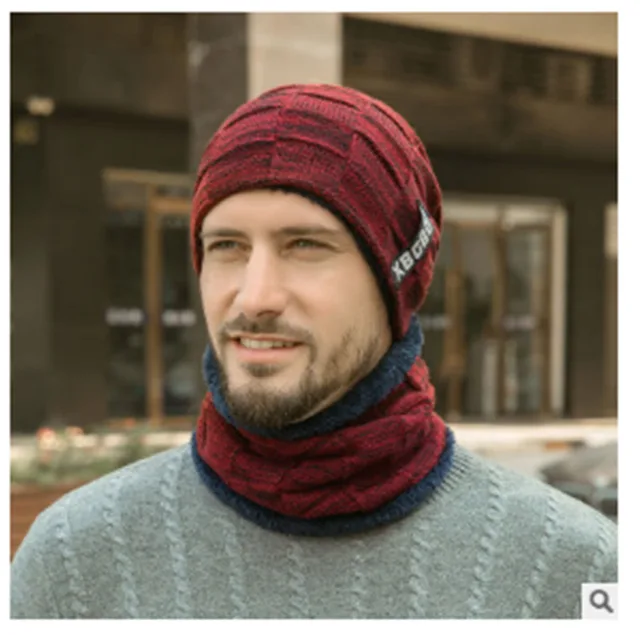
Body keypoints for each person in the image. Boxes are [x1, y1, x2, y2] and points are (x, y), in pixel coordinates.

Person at [11, 84, 617, 619]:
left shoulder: (578, 570)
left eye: (305, 244)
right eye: (226, 245)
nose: (255, 297)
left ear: (397, 281)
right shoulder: (74, 562)